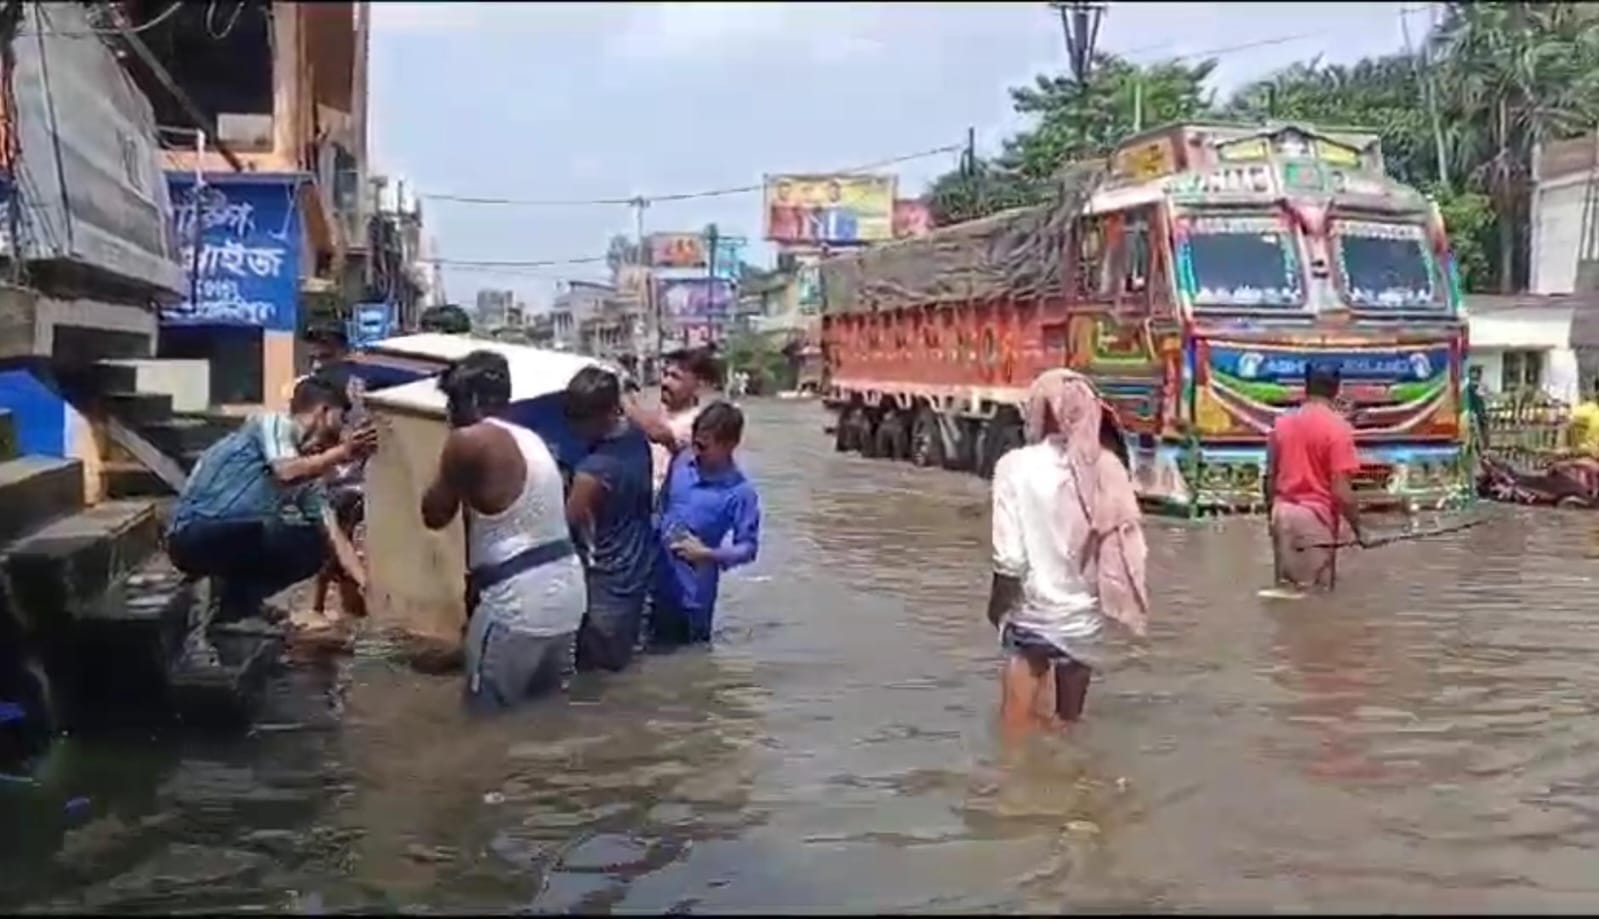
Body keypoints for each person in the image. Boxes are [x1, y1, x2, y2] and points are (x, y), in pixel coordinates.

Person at [987, 369, 1149, 738]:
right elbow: (1125, 551)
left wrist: (996, 607)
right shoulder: (1108, 469)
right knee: (1069, 730)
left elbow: (1008, 558)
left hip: (1031, 615)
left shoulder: (1015, 466)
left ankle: (1021, 790)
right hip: (1083, 622)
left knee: (1014, 736)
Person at [420, 351, 585, 712]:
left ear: (472, 400)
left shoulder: (469, 441)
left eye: (453, 402)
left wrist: (448, 464)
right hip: (567, 595)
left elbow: (433, 514)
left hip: (516, 603)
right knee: (546, 719)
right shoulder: (532, 440)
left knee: (485, 726)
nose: (450, 412)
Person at [167, 374, 375, 646]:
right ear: (323, 412)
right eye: (339, 418)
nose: (340, 430)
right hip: (193, 536)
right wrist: (344, 452)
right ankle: (238, 607)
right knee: (263, 526)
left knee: (314, 543)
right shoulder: (273, 423)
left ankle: (239, 607)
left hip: (232, 537)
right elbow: (285, 472)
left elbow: (334, 536)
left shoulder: (307, 472)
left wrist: (367, 584)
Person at [564, 366, 656, 672]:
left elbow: (570, 524)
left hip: (604, 586)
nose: (573, 426)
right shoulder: (637, 436)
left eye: (579, 418)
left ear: (602, 415)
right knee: (624, 666)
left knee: (594, 681)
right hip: (638, 573)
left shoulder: (593, 472)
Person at [650, 402, 762, 647]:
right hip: (652, 586)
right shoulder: (681, 462)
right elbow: (660, 507)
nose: (697, 451)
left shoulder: (740, 493)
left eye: (704, 446)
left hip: (693, 599)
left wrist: (707, 554)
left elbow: (748, 548)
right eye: (695, 443)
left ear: (730, 445)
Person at [1263, 361, 1372, 593]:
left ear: (1306, 387)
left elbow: (1269, 479)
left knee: (1286, 590)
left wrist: (1270, 519)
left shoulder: (1281, 424)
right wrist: (1360, 530)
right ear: (1336, 389)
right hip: (1315, 518)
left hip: (1282, 514)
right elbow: (1341, 491)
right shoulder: (1338, 429)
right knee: (1317, 595)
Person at [626, 346, 725, 495]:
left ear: (699, 385)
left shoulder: (698, 421)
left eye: (675, 377)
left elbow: (657, 433)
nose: (665, 382)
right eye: (665, 374)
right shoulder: (662, 411)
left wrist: (621, 398)